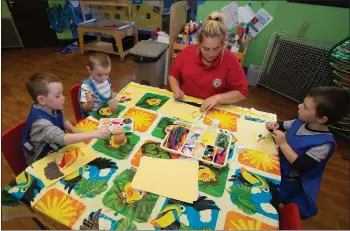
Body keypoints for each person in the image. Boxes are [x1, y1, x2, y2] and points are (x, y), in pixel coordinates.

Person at [266, 87, 349, 219]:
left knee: (267, 201)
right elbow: (284, 125)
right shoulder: (301, 122)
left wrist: (283, 144)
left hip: (289, 181)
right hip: (277, 166)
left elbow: (301, 165)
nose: (299, 106)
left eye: (305, 107)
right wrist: (275, 125)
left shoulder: (324, 144)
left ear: (322, 119)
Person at [22, 73, 111, 165]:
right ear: (42, 100)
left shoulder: (51, 107)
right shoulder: (41, 123)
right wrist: (95, 133)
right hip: (42, 160)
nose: (63, 98)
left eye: (62, 94)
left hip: (55, 147)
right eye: (58, 96)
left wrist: (73, 129)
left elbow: (62, 119)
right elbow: (62, 139)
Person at [168, 12, 248, 112]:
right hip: (186, 105)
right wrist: (176, 90)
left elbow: (242, 92)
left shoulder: (230, 60)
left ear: (223, 45)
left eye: (216, 49)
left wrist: (217, 99)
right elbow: (173, 75)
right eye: (206, 49)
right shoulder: (187, 53)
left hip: (214, 109)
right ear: (199, 43)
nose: (211, 54)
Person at [79, 52, 117, 118]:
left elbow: (108, 90)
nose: (103, 78)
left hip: (108, 111)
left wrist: (112, 94)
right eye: (99, 75)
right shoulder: (86, 86)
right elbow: (85, 109)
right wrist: (89, 103)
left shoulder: (106, 79)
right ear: (89, 70)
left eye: (107, 74)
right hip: (96, 116)